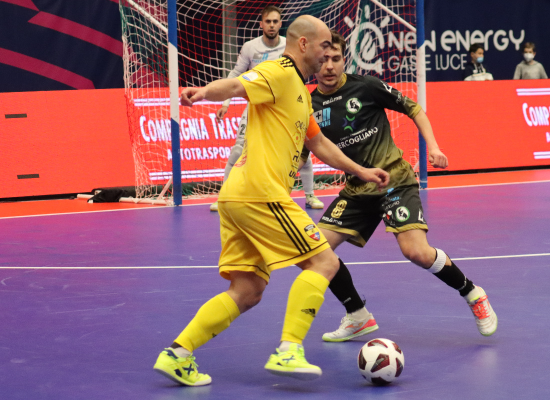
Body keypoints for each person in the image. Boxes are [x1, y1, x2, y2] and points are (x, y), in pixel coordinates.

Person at [153, 17, 390, 386]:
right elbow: (237, 85)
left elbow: (318, 143)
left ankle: (177, 355)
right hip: (260, 192)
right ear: (303, 44)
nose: (327, 53)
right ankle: (289, 350)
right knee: (324, 262)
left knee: (247, 290)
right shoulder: (279, 70)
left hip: (238, 195)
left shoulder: (300, 91)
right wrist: (203, 92)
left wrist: (361, 170)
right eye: (323, 45)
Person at [304, 30, 497, 343]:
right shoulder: (309, 105)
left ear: (344, 60)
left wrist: (433, 146)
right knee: (315, 249)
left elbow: (413, 108)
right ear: (314, 61)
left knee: (416, 252)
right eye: (323, 59)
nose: (329, 66)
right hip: (357, 187)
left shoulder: (365, 86)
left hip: (394, 179)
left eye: (335, 59)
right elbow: (305, 148)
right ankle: (357, 315)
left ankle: (472, 293)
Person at [210, 5, 324, 212]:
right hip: (257, 106)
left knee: (301, 149)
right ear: (261, 24)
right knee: (238, 151)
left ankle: (310, 195)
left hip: (285, 106)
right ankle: (223, 196)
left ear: (280, 24)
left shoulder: (290, 46)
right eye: (268, 21)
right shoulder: (250, 47)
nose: (272, 25)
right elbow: (236, 75)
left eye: (275, 21)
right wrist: (225, 103)